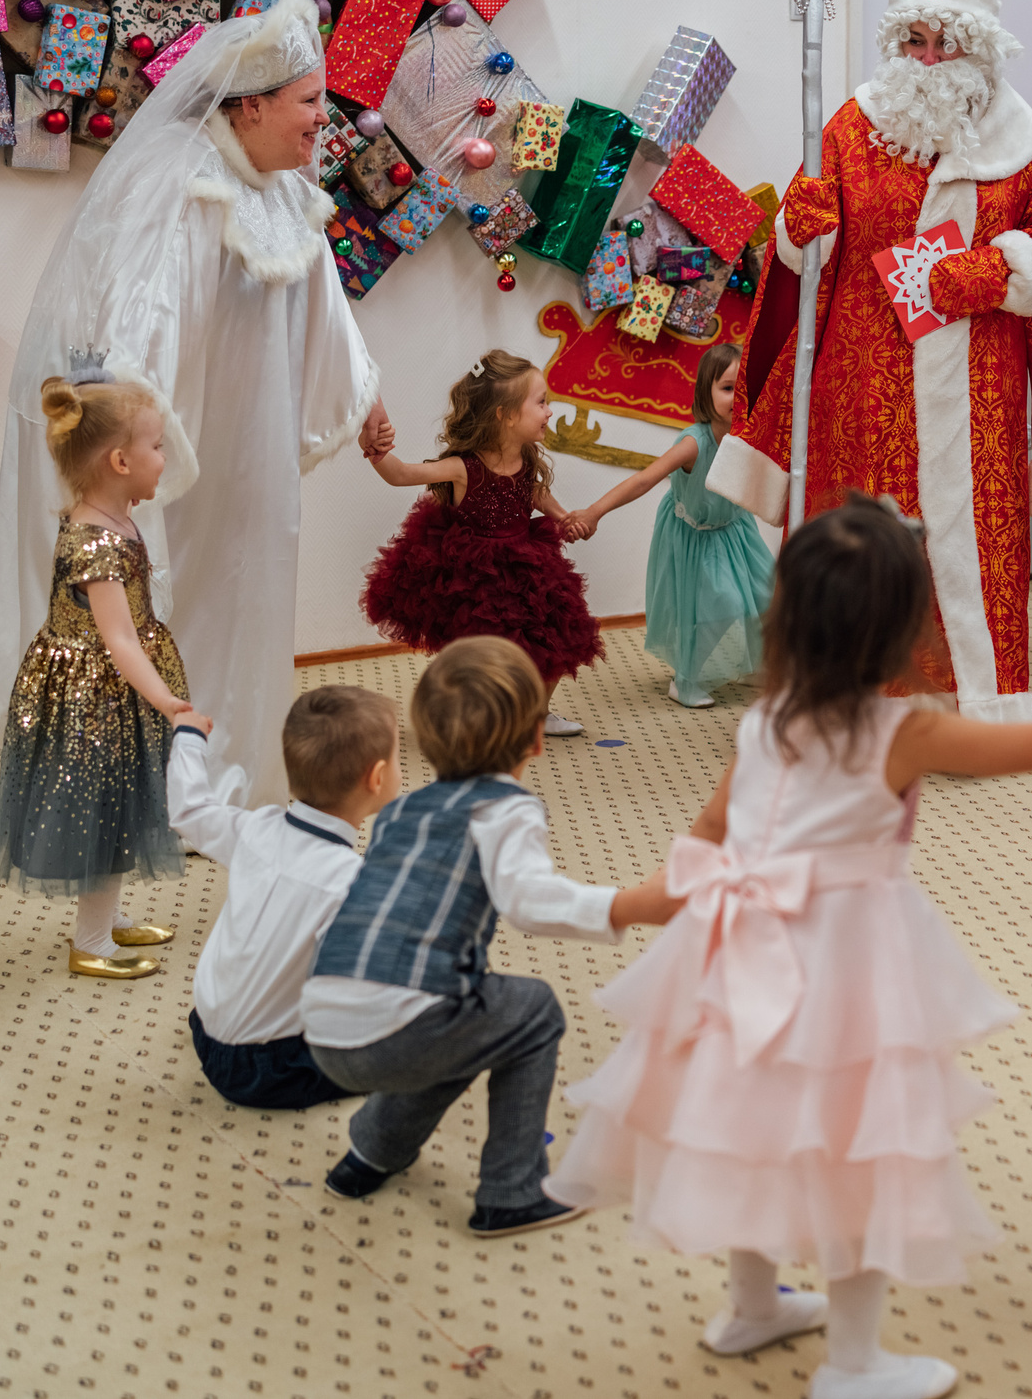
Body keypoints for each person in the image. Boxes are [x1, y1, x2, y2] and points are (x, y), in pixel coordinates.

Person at [546, 499, 1032, 1399]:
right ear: (906, 626)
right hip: (843, 969)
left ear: (783, 616)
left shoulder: (761, 726)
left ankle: (753, 1306)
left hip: (736, 954)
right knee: (854, 1150)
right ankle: (856, 1362)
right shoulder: (901, 733)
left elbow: (705, 843)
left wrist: (625, 908)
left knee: (759, 1124)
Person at [0, 0, 385, 807]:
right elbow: (136, 318)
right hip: (176, 454)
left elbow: (321, 303)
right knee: (162, 604)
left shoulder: (283, 189)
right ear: (252, 104)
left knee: (245, 594)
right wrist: (133, 450)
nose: (320, 122)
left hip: (251, 450)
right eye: (309, 103)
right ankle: (156, 789)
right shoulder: (184, 187)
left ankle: (222, 777)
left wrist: (365, 392)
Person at [708, 0, 1032, 723]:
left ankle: (974, 706)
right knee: (860, 539)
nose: (928, 59)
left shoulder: (1024, 143)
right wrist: (799, 227)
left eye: (946, 42)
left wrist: (993, 272)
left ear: (979, 46)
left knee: (968, 541)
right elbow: (800, 254)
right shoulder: (851, 128)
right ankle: (844, 705)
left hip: (977, 382)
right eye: (916, 42)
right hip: (860, 380)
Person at [302, 637, 676, 1237]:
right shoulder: (507, 807)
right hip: (398, 1021)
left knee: (471, 1024)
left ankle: (371, 1151)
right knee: (532, 1012)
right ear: (534, 738)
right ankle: (510, 1192)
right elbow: (527, 902)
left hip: (322, 1025)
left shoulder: (400, 810)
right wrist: (627, 905)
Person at [0, 369, 194, 979]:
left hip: (110, 686)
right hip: (96, 694)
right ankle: (91, 942)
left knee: (123, 803)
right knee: (105, 806)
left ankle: (105, 917)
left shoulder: (114, 519)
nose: (165, 457)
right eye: (157, 446)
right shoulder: (94, 543)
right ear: (120, 461)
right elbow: (120, 640)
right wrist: (168, 702)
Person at [165, 684, 402, 1109]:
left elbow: (190, 811)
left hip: (206, 1026)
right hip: (267, 1069)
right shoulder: (350, 881)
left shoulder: (255, 829)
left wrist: (188, 737)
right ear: (378, 778)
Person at [360, 352, 603, 738]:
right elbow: (402, 474)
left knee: (559, 638)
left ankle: (536, 712)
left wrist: (567, 519)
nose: (550, 411)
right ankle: (477, 715)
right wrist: (376, 451)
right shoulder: (464, 467)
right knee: (486, 656)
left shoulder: (526, 458)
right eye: (541, 403)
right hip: (477, 573)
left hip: (529, 566)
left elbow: (538, 495)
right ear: (505, 415)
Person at [566, 343, 773, 708]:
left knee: (765, 596)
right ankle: (686, 679)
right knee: (721, 604)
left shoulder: (749, 434)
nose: (737, 397)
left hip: (735, 529)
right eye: (727, 388)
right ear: (705, 393)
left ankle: (753, 663)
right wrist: (595, 511)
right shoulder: (694, 443)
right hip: (695, 534)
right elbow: (643, 480)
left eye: (744, 389)